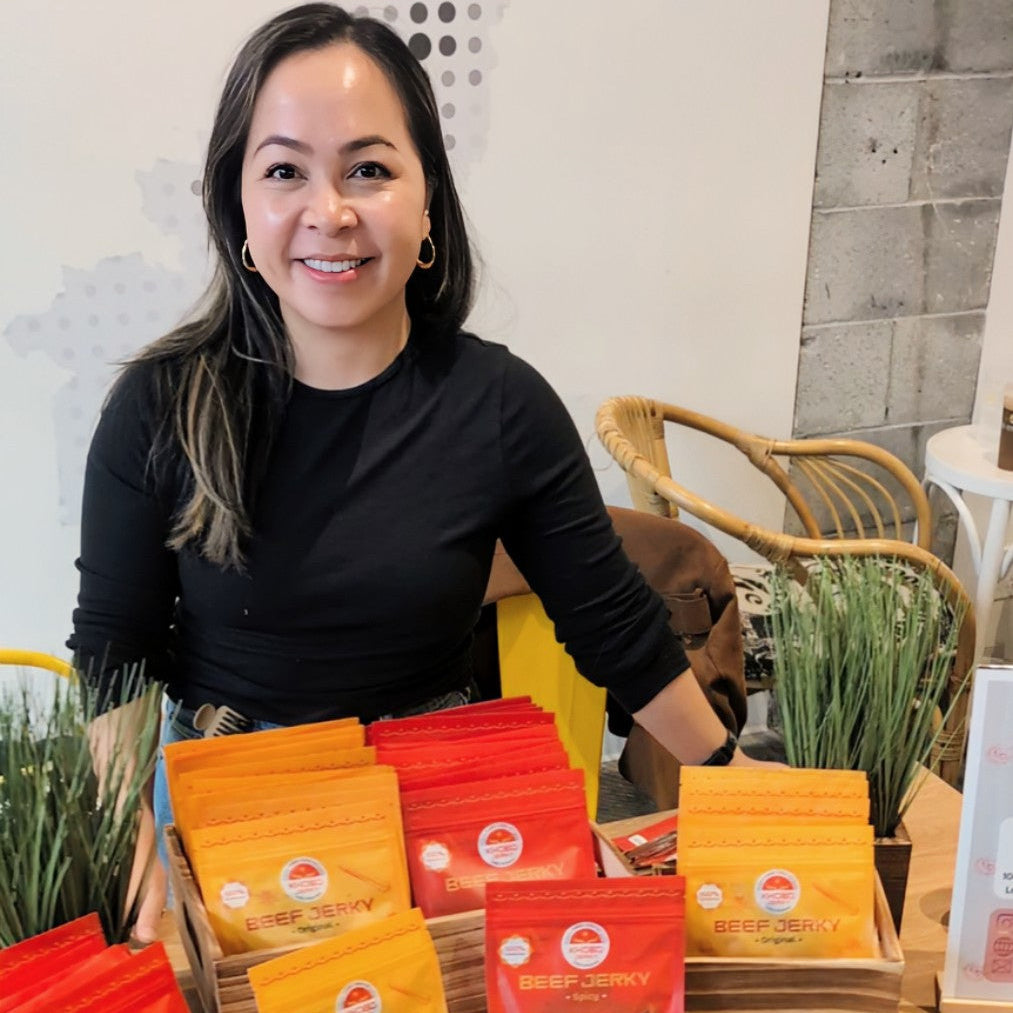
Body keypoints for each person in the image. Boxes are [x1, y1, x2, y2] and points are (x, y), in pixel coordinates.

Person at [70, 2, 772, 945]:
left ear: (427, 196)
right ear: (239, 206)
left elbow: (612, 624)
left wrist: (731, 772)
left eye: (368, 167)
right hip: (237, 826)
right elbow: (115, 652)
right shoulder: (160, 408)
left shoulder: (500, 404)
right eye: (284, 171)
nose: (331, 211)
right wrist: (132, 861)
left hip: (441, 824)